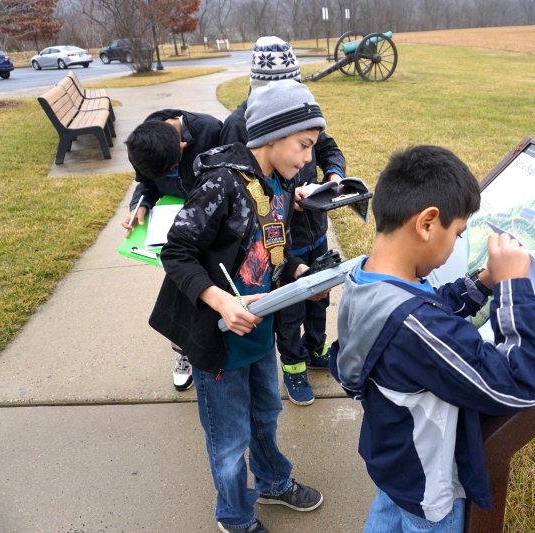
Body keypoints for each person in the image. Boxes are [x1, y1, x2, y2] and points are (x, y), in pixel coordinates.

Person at [329, 145, 535, 532]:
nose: (455, 246)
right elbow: (521, 385)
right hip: (429, 491)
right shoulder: (418, 328)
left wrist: (481, 283)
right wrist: (514, 287)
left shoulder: (365, 278)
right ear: (428, 223)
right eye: (458, 233)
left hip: (393, 466)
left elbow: (424, 304)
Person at [148, 79, 328, 533]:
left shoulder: (281, 188)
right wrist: (219, 300)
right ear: (271, 136)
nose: (309, 159)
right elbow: (177, 252)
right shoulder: (222, 184)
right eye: (304, 146)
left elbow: (273, 256)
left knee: (266, 414)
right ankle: (235, 515)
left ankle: (272, 481)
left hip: (258, 334)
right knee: (230, 441)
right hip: (218, 343)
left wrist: (303, 280)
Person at [220, 36, 347, 406]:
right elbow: (237, 196)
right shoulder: (237, 125)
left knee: (319, 296)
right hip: (278, 242)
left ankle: (315, 349)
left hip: (315, 230)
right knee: (289, 309)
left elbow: (328, 147)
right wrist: (287, 202)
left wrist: (334, 177)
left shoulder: (302, 110)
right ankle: (293, 368)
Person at [123, 109, 223, 392]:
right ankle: (185, 353)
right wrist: (139, 204)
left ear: (183, 147)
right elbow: (147, 183)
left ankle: (216, 351)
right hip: (176, 233)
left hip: (212, 228)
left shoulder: (212, 131)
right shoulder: (147, 139)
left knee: (210, 292)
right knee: (183, 293)